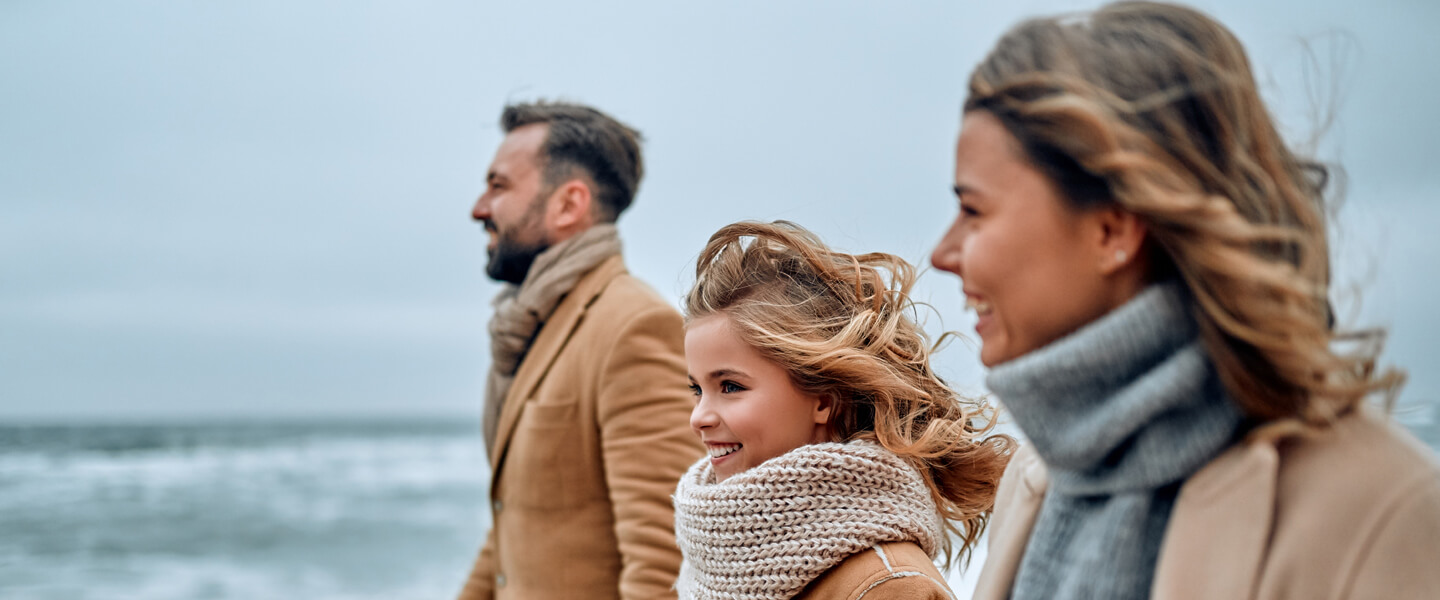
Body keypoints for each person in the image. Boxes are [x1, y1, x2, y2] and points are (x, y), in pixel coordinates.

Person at [928, 3, 1440, 599]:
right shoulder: (1035, 478)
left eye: (973, 210)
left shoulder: (1380, 510)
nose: (944, 251)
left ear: (1113, 231)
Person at [673, 221, 1014, 600]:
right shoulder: (710, 560)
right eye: (696, 389)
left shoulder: (889, 586)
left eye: (730, 387)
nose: (699, 417)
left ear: (823, 400)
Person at [456, 100, 702, 600]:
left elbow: (665, 562)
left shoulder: (634, 326)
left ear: (569, 205)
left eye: (498, 186)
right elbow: (516, 525)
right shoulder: (533, 326)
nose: (479, 208)